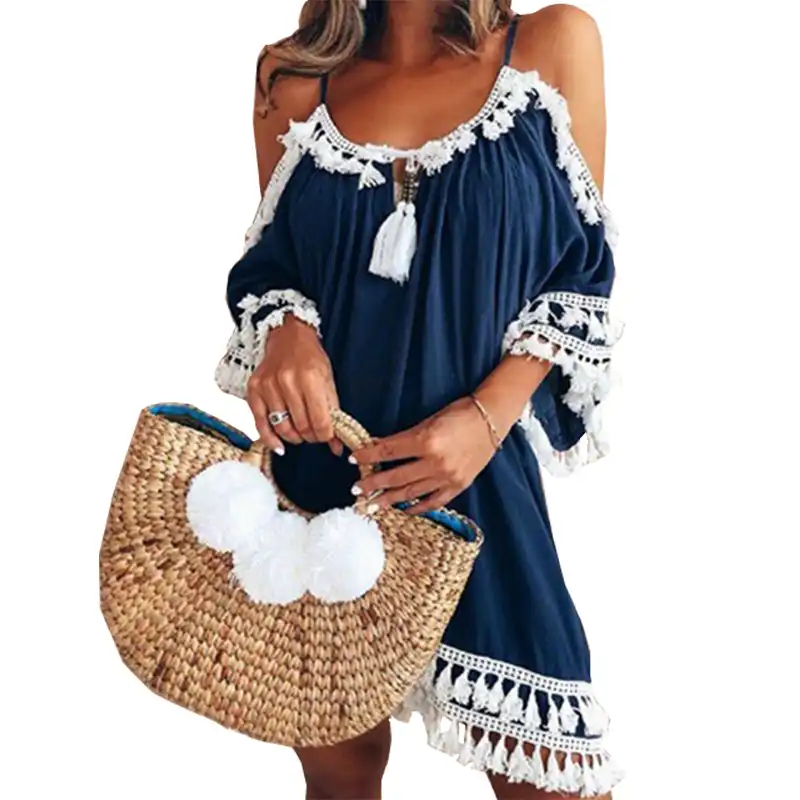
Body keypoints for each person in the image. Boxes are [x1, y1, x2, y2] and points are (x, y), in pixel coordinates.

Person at [215, 1, 622, 797]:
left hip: (480, 489)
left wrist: (486, 420)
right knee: (340, 772)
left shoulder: (550, 46)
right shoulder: (292, 77)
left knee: (558, 778)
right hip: (323, 491)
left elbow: (580, 276)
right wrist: (286, 329)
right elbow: (275, 263)